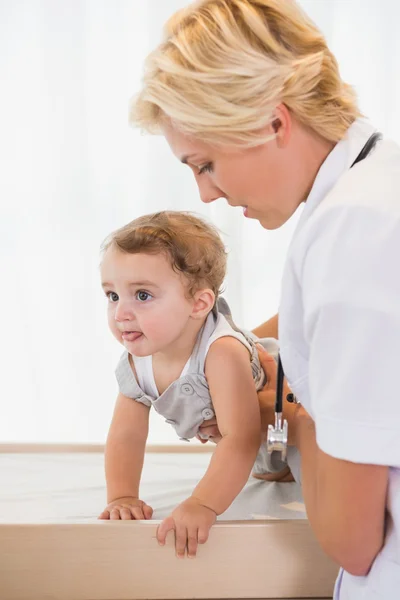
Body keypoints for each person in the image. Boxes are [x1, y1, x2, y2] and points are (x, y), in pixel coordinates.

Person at [130, 0, 400, 598]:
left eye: (206, 164)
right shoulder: (375, 187)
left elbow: (355, 543)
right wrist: (222, 355)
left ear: (270, 122)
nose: (205, 194)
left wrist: (286, 413)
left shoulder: (354, 230)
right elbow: (322, 328)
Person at [98, 210, 296, 559]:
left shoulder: (221, 352)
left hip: (298, 413)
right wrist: (122, 496)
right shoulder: (137, 360)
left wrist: (203, 503)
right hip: (268, 461)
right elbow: (126, 436)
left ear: (199, 303)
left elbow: (241, 437)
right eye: (113, 295)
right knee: (273, 473)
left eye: (142, 295)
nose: (120, 314)